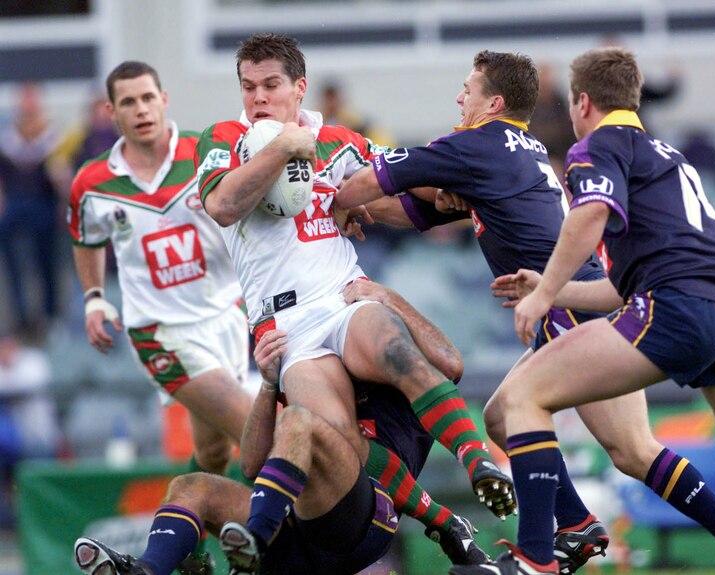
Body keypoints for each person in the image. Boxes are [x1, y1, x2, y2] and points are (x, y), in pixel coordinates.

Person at [336, 49, 715, 574]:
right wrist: (375, 205)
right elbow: (406, 211)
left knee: (629, 448)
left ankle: (553, 553)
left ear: (493, 102)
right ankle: (584, 527)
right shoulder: (513, 150)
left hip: (572, 305)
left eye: (467, 89)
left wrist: (332, 199)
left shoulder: (476, 144)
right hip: (576, 298)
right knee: (504, 418)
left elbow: (367, 183)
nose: (459, 98)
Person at [453, 46, 715, 575]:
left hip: (678, 309)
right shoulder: (668, 155)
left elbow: (590, 214)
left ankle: (536, 559)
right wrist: (555, 290)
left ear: (582, 103)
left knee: (522, 398)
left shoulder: (596, 147)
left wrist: (545, 291)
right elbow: (621, 289)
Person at [194, 32, 514, 518]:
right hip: (286, 328)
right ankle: (446, 525)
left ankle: (479, 461)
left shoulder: (337, 141)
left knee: (398, 353)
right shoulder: (223, 138)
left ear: (299, 87)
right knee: (339, 438)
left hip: (342, 296)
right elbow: (222, 205)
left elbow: (403, 182)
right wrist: (284, 147)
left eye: (271, 85)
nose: (258, 98)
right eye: (248, 86)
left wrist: (453, 195)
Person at [73, 280, 490, 575]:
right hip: (294, 526)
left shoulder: (399, 365)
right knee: (191, 487)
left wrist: (389, 297)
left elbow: (450, 362)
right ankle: (149, 569)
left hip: (364, 522)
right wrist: (268, 385)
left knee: (301, 420)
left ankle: (254, 539)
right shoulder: (313, 367)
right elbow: (253, 466)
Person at [68, 61, 253, 480]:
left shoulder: (206, 152)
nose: (141, 109)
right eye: (128, 102)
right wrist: (94, 298)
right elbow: (85, 237)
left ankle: (186, 523)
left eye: (148, 97)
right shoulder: (91, 183)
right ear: (111, 112)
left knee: (213, 450)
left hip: (225, 315)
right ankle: (299, 522)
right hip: (159, 331)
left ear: (164, 100)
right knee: (257, 431)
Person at [0, 82, 65, 332]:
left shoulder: (53, 137)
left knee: (47, 260)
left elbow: (60, 175)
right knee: (14, 264)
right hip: (14, 202)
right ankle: (20, 316)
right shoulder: (8, 137)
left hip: (43, 203)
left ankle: (49, 315)